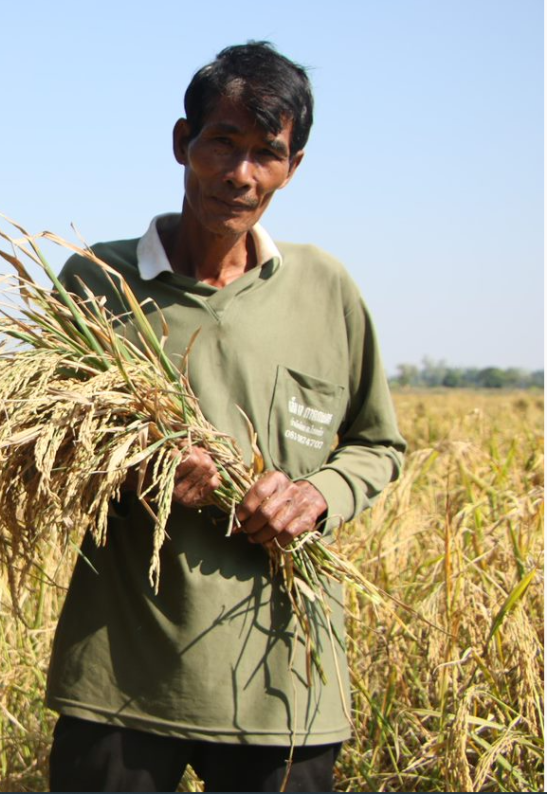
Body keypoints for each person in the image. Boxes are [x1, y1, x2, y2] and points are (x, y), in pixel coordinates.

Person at [45, 43, 405, 792]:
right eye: (223, 144)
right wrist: (131, 468)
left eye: (266, 154)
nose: (241, 174)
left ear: (293, 166)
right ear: (184, 143)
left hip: (284, 684)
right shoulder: (95, 284)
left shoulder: (326, 290)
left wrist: (316, 496)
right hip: (121, 676)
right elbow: (32, 450)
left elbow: (378, 445)